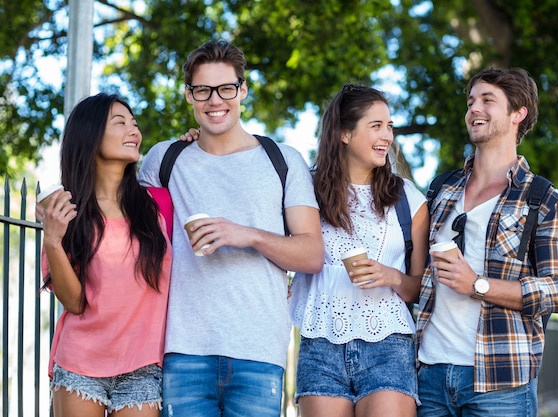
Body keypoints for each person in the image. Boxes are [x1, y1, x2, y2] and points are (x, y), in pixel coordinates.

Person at [137, 39, 324, 417]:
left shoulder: (283, 160)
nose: (214, 100)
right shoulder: (165, 158)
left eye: (225, 88)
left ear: (243, 90)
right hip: (182, 350)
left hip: (259, 351)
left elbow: (313, 254)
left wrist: (249, 235)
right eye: (202, 90)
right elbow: (124, 225)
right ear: (189, 95)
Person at [416, 67, 558, 417]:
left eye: (488, 100)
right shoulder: (440, 190)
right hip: (427, 375)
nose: (474, 108)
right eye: (471, 101)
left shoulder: (544, 199)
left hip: (500, 381)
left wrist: (478, 285)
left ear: (518, 113)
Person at [289, 85, 430, 417]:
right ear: (344, 133)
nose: (387, 136)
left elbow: (422, 289)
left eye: (390, 126)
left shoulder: (408, 198)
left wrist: (391, 275)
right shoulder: (304, 190)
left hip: (389, 348)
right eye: (376, 125)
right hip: (318, 346)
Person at [37, 92, 172, 416]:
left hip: (143, 367)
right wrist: (53, 242)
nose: (134, 131)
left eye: (134, 124)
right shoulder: (67, 211)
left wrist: (192, 139)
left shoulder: (158, 204)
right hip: (81, 362)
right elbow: (74, 302)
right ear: (91, 135)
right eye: (120, 122)